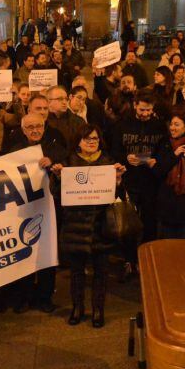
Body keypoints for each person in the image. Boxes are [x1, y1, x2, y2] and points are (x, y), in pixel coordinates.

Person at [53, 124, 124, 327]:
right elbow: (58, 197)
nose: (92, 142)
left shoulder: (108, 162)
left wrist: (118, 180)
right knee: (77, 273)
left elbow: (116, 198)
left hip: (101, 227)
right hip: (75, 227)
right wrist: (58, 179)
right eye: (87, 139)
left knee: (101, 272)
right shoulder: (68, 162)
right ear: (78, 141)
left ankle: (98, 309)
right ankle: (77, 307)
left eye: (95, 139)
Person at [149, 107, 185, 240]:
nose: (172, 128)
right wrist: (174, 156)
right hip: (167, 208)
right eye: (171, 124)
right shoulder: (163, 143)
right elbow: (157, 172)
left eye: (177, 124)